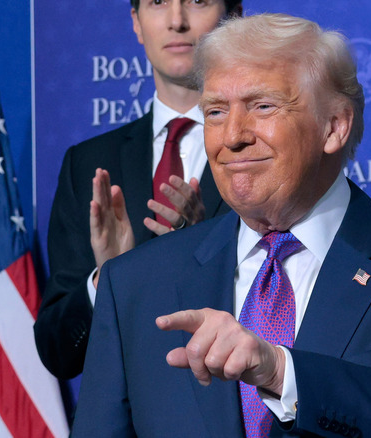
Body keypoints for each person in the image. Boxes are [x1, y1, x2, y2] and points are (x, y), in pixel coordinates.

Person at [72, 13, 371, 437]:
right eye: (217, 112)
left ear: (334, 127)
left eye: (262, 106)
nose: (233, 136)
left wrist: (283, 373)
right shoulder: (134, 285)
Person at [34, 0, 243, 379]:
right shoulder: (87, 163)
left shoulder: (261, 151)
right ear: (136, 22)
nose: (176, 21)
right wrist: (108, 276)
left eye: (197, 1)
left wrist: (203, 246)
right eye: (158, 2)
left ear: (235, 14)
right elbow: (58, 351)